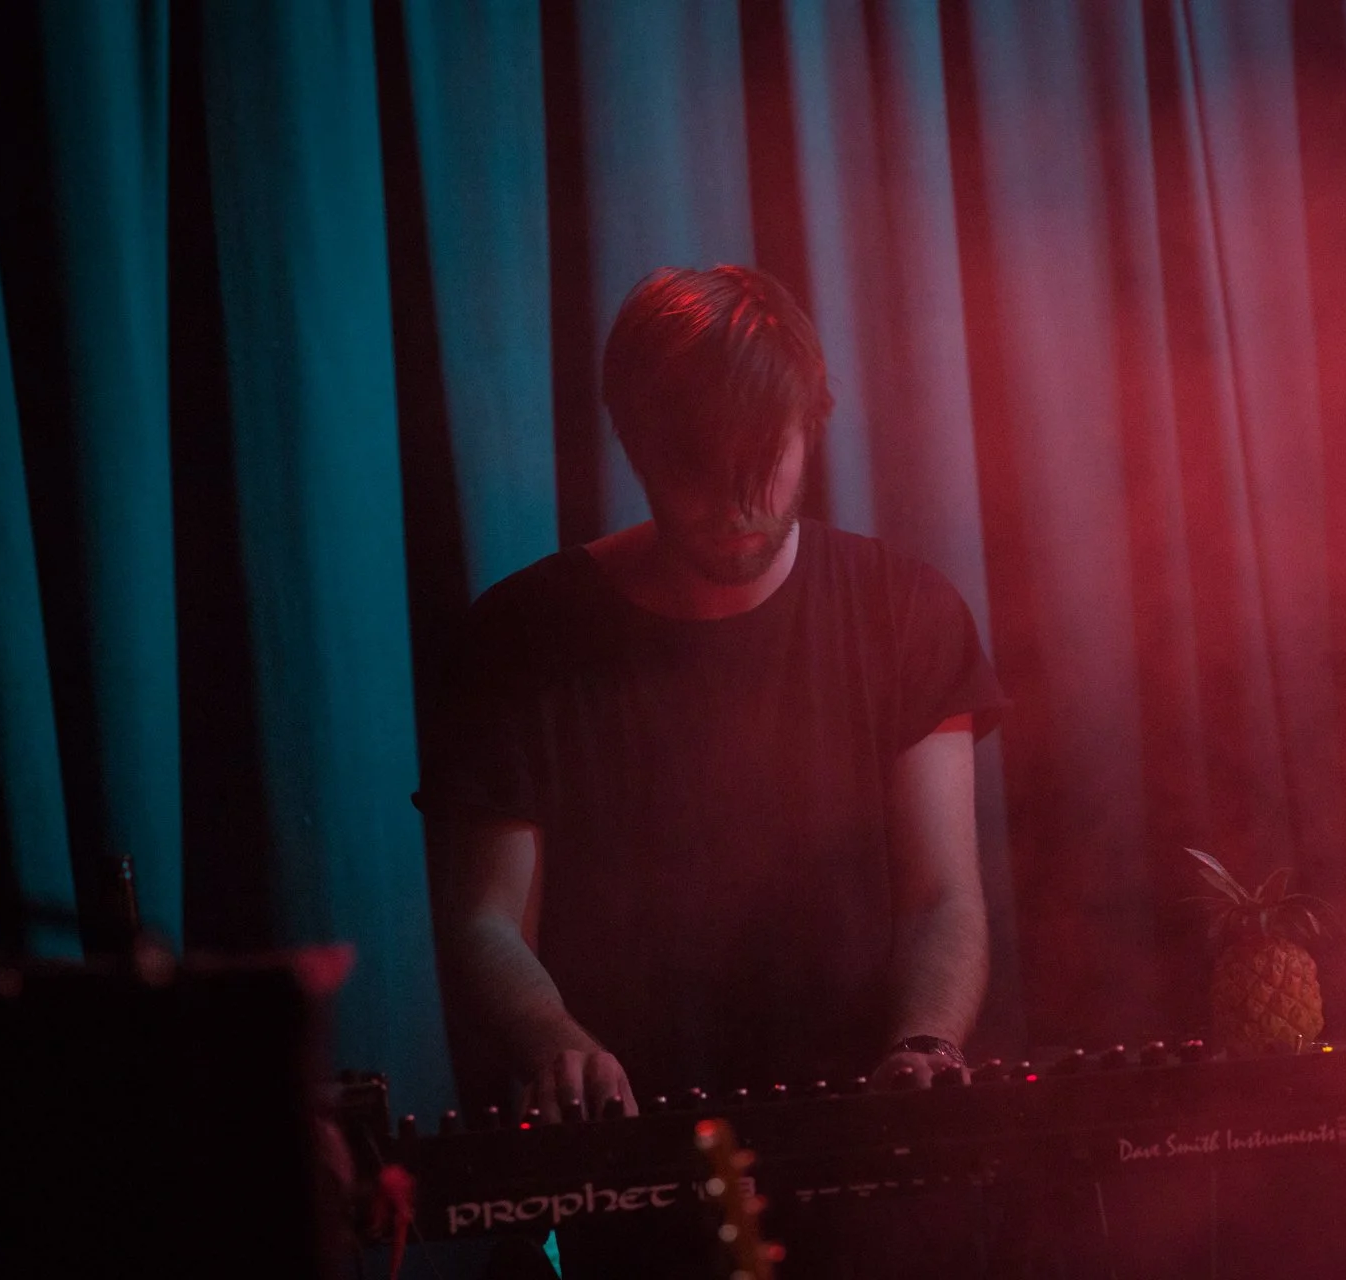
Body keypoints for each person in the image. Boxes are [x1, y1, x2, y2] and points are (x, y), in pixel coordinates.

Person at [418, 264, 1005, 1276]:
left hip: (869, 1172)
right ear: (635, 443)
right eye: (698, 470)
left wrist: (926, 1045)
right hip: (630, 1182)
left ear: (811, 424)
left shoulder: (906, 614)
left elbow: (944, 895)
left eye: (761, 464)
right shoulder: (517, 639)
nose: (737, 508)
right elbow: (483, 918)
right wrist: (554, 1036)